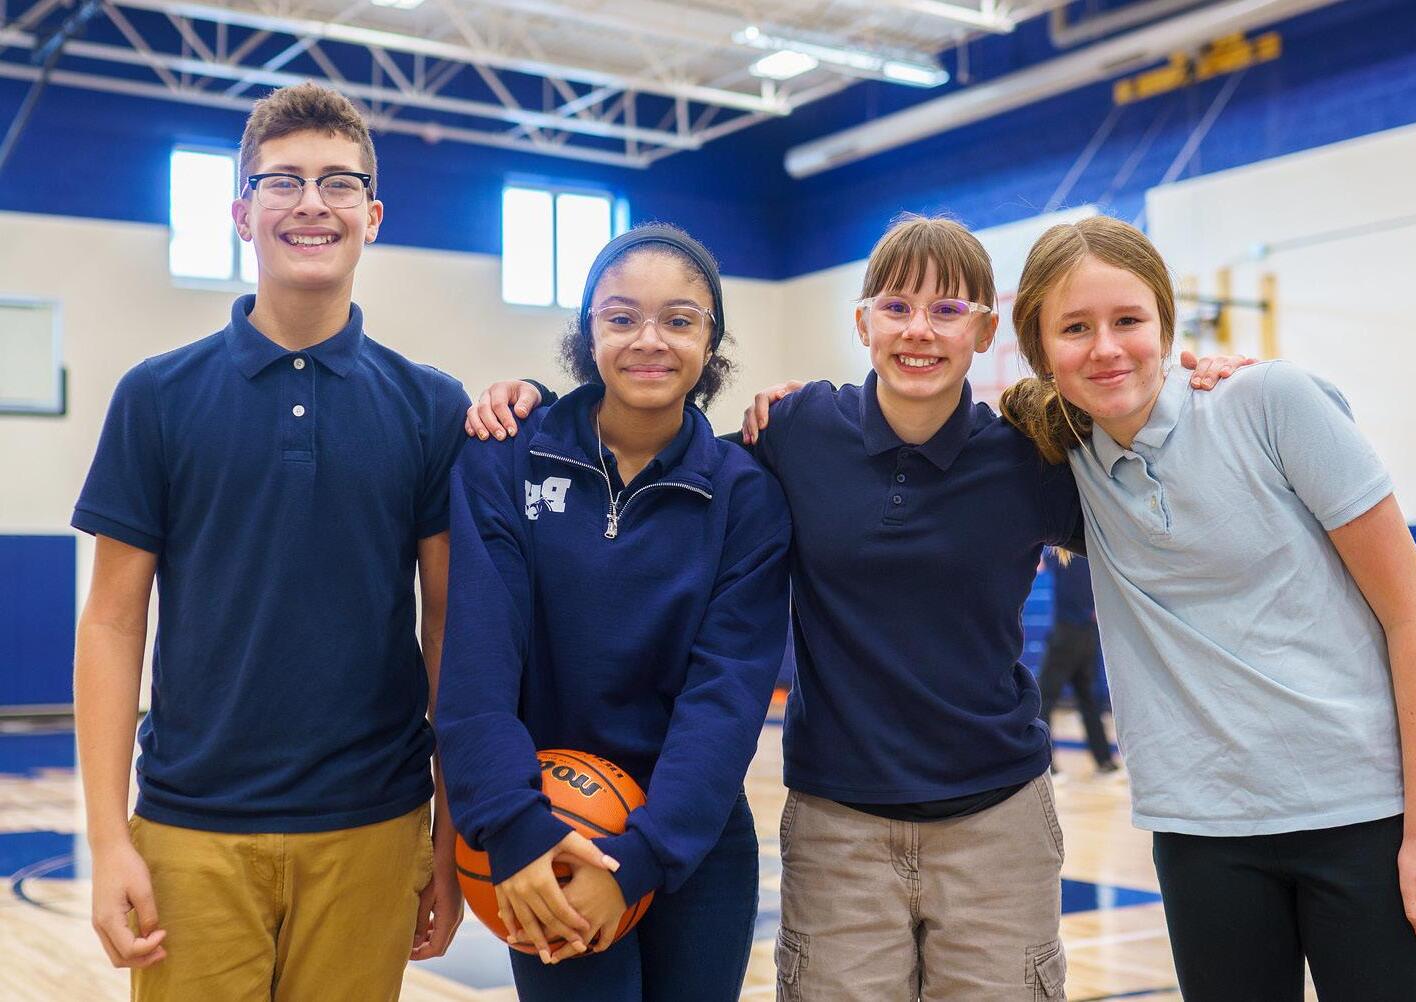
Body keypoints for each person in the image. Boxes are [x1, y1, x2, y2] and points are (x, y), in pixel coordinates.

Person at [463, 214, 1246, 1001]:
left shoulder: (1030, 457)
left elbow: (1166, 508)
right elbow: (653, 442)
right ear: (862, 321)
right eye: (897, 306)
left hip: (996, 818)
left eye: (947, 310)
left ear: (984, 331)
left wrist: (1204, 399)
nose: (919, 329)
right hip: (837, 824)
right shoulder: (794, 432)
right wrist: (536, 405)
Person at [999, 214, 1416, 1001]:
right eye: (1074, 328)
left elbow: (1414, 613)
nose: (1106, 347)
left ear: (1165, 324)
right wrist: (794, 407)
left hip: (1361, 818)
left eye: (1128, 320)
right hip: (1201, 835)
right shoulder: (1058, 458)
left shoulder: (1266, 401)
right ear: (1039, 349)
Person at [72, 82, 468, 1001]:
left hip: (374, 826)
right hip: (191, 829)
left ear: (372, 217)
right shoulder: (156, 397)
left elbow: (448, 629)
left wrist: (448, 839)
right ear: (242, 213)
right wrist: (108, 837)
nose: (311, 203)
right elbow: (112, 623)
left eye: (338, 183)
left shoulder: (431, 406)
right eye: (283, 181)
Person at [435, 224, 792, 1002]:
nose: (648, 341)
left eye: (679, 320)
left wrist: (642, 858)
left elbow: (726, 696)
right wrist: (515, 827)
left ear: (711, 340)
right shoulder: (506, 455)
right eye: (621, 317)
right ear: (587, 332)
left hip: (688, 839)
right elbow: (477, 664)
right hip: (548, 836)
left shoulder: (745, 494)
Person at [1038, 550, 1119, 776]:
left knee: (1043, 699)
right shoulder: (1092, 552)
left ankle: (1045, 763)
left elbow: (1039, 563)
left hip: (1066, 633)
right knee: (1088, 700)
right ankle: (1104, 760)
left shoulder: (1059, 553)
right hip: (1088, 633)